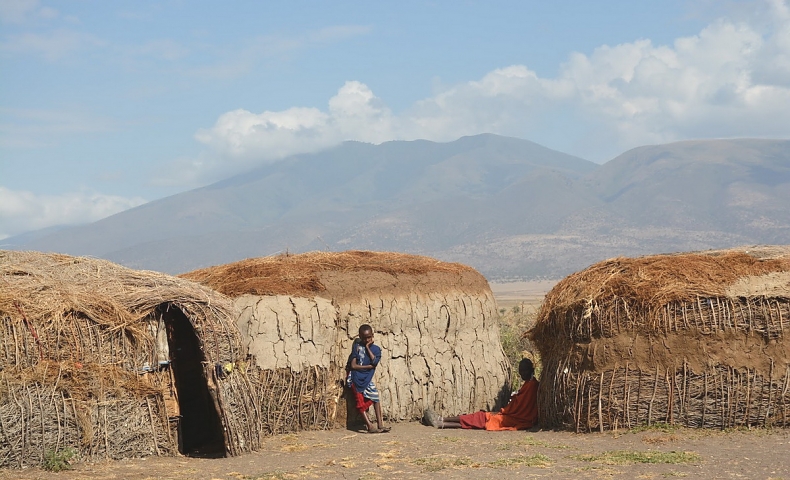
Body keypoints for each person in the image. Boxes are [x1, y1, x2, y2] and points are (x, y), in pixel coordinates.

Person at [423, 358, 538, 430]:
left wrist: (507, 407)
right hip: (513, 417)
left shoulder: (532, 385)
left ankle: (442, 421)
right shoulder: (529, 383)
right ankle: (442, 422)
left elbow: (520, 407)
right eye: (520, 371)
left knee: (480, 418)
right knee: (478, 419)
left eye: (524, 370)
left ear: (531, 370)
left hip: (516, 420)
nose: (522, 373)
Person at [346, 324, 390, 433]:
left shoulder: (376, 350)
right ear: (360, 337)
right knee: (360, 402)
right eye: (364, 338)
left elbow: (374, 361)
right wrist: (368, 367)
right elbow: (353, 366)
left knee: (375, 398)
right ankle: (369, 426)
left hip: (366, 379)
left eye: (369, 337)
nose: (367, 340)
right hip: (355, 378)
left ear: (372, 335)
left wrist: (367, 348)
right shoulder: (356, 347)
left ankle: (380, 424)